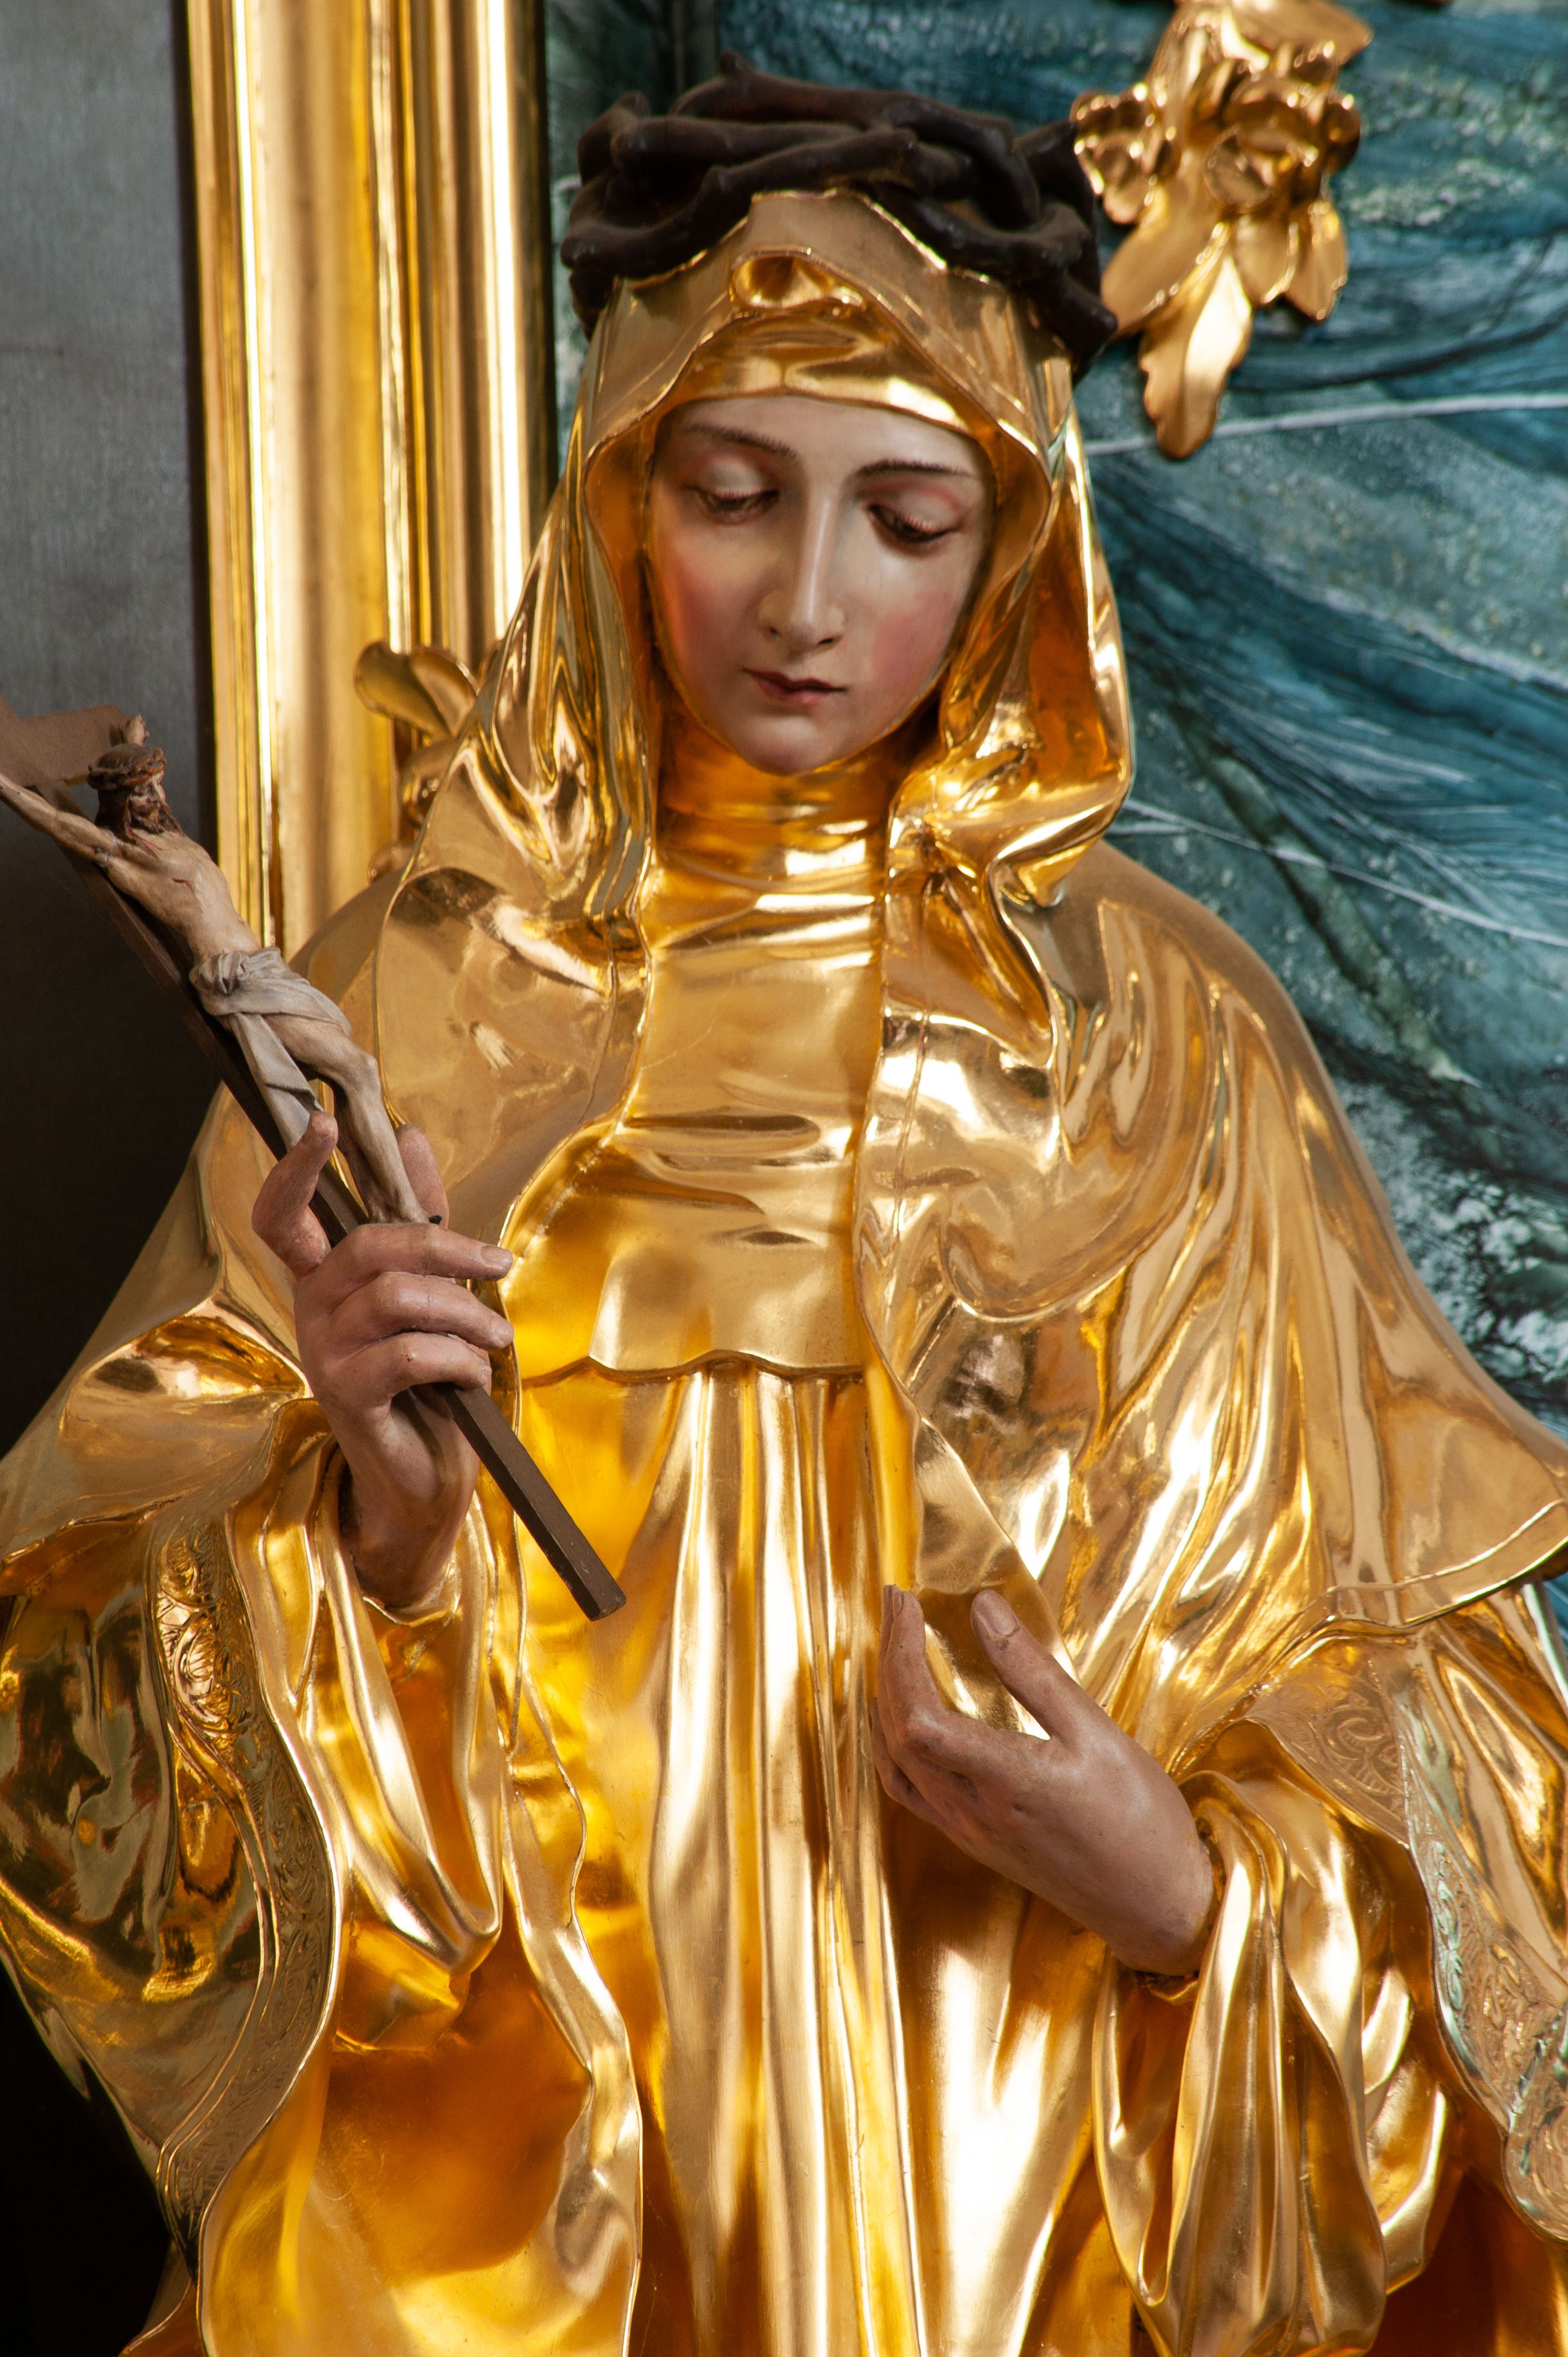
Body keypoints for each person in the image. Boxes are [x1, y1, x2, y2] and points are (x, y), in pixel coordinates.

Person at [4, 56, 1568, 2357]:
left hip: (1016, 2142)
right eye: (734, 494)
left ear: (1016, 549)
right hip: (560, 2153)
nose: (808, 602)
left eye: (905, 520)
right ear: (619, 496)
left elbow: (1417, 1718)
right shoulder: (410, 1001)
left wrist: (1191, 1897)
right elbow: (77, 1637)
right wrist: (367, 1539)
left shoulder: (1165, 1043)